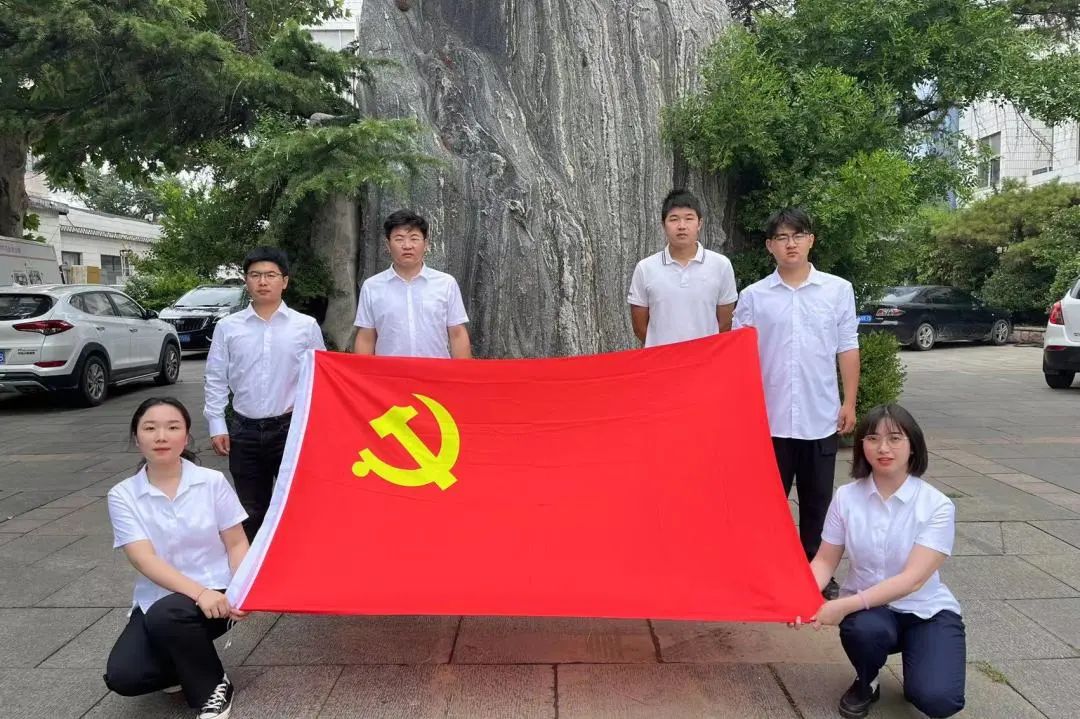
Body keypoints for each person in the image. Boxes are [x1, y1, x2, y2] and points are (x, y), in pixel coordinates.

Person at [792, 404, 966, 719]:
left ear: (913, 445)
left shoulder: (937, 505)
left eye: (895, 439)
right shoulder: (846, 497)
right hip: (871, 616)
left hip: (925, 611)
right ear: (862, 446)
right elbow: (825, 561)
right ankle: (867, 680)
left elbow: (912, 580)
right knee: (863, 630)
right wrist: (798, 598)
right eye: (872, 439)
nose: (883, 448)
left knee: (938, 699)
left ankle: (921, 661)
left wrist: (843, 605)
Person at [733, 207, 859, 598]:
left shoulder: (837, 290)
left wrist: (850, 402)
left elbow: (847, 347)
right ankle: (766, 574)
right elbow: (738, 355)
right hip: (769, 419)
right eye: (782, 237)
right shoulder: (754, 297)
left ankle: (817, 573)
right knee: (766, 503)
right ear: (769, 246)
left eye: (798, 235)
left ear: (811, 240)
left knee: (818, 500)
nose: (791, 244)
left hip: (820, 414)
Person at [104, 398, 250, 719]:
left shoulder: (211, 482)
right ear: (136, 437)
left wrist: (242, 589)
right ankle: (184, 662)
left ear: (185, 437)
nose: (161, 436)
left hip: (219, 595)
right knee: (124, 676)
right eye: (150, 428)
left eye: (172, 427)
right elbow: (144, 560)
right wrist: (198, 593)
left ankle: (214, 688)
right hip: (162, 601)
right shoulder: (122, 495)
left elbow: (237, 542)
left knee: (168, 614)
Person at [204, 246, 325, 541]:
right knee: (250, 511)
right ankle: (250, 566)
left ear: (285, 281)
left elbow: (320, 378)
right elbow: (216, 377)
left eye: (270, 275)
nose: (262, 281)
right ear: (246, 280)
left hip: (290, 430)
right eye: (255, 275)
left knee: (295, 507)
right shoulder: (228, 327)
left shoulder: (305, 326)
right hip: (243, 430)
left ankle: (294, 564)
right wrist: (217, 424)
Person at [353, 209, 472, 358]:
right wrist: (360, 372)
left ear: (426, 244)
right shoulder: (372, 287)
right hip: (389, 371)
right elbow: (366, 337)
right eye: (399, 239)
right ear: (388, 245)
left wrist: (463, 371)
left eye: (414, 238)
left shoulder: (446, 284)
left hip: (435, 370)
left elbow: (457, 333)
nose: (407, 245)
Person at [628, 189, 738, 347]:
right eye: (674, 219)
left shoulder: (721, 265)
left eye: (689, 218)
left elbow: (725, 324)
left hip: (705, 357)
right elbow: (640, 328)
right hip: (661, 358)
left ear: (699, 223)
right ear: (663, 225)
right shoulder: (645, 268)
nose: (681, 226)